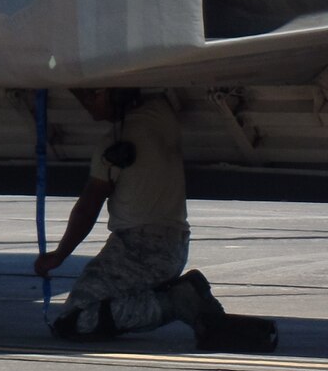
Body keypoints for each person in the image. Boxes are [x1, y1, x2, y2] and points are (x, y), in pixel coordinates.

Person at [33, 88, 228, 342]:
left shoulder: (113, 146)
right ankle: (174, 295)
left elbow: (87, 208)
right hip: (175, 246)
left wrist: (59, 255)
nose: (90, 113)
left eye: (90, 100)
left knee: (74, 319)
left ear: (106, 94)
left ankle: (175, 302)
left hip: (138, 248)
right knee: (110, 301)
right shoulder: (162, 114)